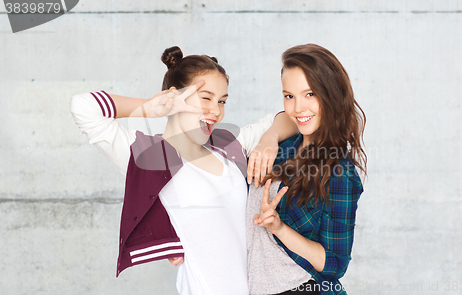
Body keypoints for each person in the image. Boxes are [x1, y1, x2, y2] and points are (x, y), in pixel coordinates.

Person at [70, 46, 296, 295]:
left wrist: (269, 138)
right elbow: (83, 107)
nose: (216, 111)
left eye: (222, 101)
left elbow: (291, 116)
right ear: (174, 97)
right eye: (206, 98)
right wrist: (151, 107)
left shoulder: (227, 145)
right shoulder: (149, 155)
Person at [247, 44, 366, 295]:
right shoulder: (281, 147)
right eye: (289, 96)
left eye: (309, 94)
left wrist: (279, 228)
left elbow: (335, 264)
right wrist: (269, 137)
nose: (298, 107)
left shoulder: (340, 172)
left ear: (331, 94)